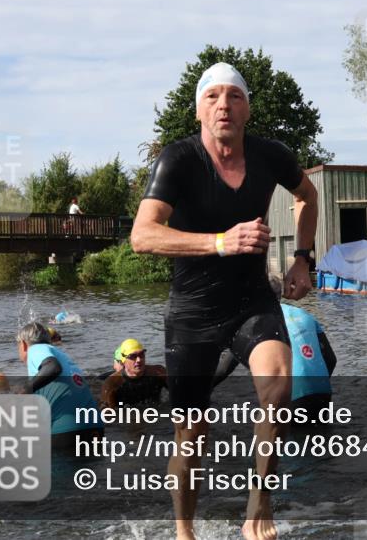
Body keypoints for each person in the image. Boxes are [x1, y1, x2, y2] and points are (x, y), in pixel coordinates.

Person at [130, 61, 319, 540]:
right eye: (213, 97)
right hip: (192, 310)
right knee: (191, 434)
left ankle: (259, 504)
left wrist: (303, 258)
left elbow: (307, 196)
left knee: (278, 387)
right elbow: (142, 235)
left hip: (251, 301)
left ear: (248, 109)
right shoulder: (178, 160)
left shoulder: (270, 155)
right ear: (199, 110)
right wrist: (220, 242)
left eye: (234, 96)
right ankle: (184, 531)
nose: (223, 105)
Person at [214, 275, 337, 417]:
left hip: (291, 400)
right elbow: (331, 360)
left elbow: (224, 369)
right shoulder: (304, 314)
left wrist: (201, 394)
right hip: (323, 396)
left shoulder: (254, 322)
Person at [15, 322, 103, 448]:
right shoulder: (63, 356)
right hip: (95, 429)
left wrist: (25, 389)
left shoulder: (35, 349)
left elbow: (53, 367)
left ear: (23, 344)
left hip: (68, 432)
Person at [100, 338, 167, 409]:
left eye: (141, 355)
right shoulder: (111, 383)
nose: (139, 360)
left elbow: (178, 392)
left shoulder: (158, 372)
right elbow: (107, 414)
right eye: (133, 356)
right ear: (123, 361)